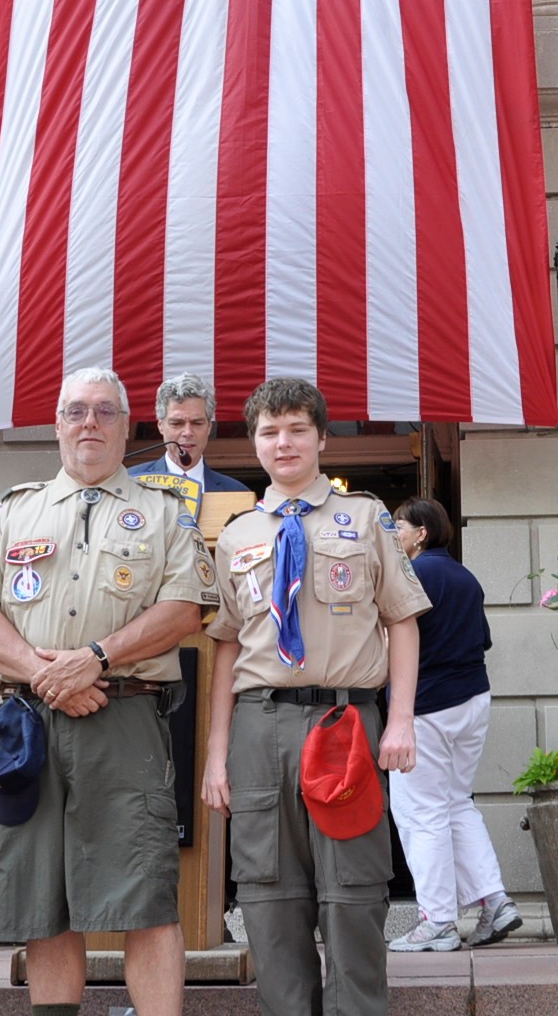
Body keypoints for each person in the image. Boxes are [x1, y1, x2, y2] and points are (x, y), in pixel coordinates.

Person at [0, 367, 214, 1016]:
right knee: (44, 901)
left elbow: (187, 609)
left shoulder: (164, 511)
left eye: (104, 411)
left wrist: (95, 658)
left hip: (124, 720)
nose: (89, 422)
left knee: (145, 895)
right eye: (76, 411)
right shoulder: (16, 509)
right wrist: (48, 675)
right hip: (30, 725)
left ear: (127, 427)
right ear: (58, 425)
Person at [200, 377, 430, 1016]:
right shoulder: (237, 535)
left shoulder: (367, 519)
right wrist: (217, 755)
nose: (284, 442)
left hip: (347, 720)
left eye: (297, 429)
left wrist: (400, 721)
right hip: (259, 725)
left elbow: (402, 620)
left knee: (353, 895)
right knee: (268, 898)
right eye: (270, 432)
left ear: (322, 438)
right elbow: (225, 645)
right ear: (255, 443)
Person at [386, 498, 521, 952]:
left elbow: (394, 639)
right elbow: (482, 639)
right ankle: (494, 901)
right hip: (472, 698)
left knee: (420, 812)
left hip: (424, 705)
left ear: (421, 532)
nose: (392, 533)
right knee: (457, 803)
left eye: (398, 526)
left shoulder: (413, 574)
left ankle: (438, 921)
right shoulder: (466, 576)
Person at [129, 373, 253, 511]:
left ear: (209, 427)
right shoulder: (130, 482)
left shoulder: (237, 493)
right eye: (177, 423)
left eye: (197, 423)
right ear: (161, 426)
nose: (187, 432)